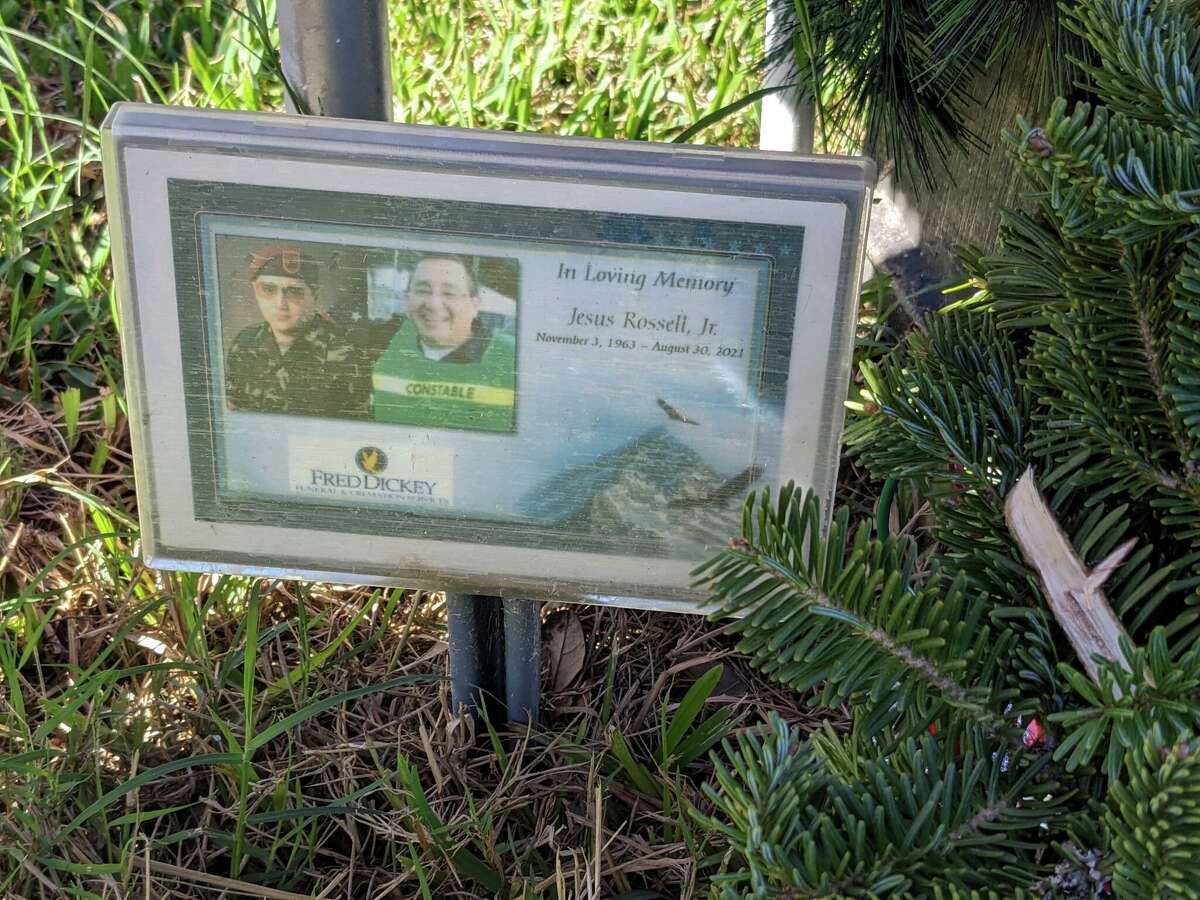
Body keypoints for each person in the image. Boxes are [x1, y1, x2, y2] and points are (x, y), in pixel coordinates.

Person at [372, 253, 516, 431]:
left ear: (474, 306)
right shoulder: (379, 346)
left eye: (449, 293)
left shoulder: (512, 357)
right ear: (407, 299)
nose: (433, 304)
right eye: (423, 291)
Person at [224, 242, 369, 417]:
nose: (280, 304)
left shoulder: (346, 353)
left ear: (315, 295)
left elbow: (354, 426)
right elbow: (233, 413)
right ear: (255, 292)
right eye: (268, 289)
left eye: (294, 292)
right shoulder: (245, 342)